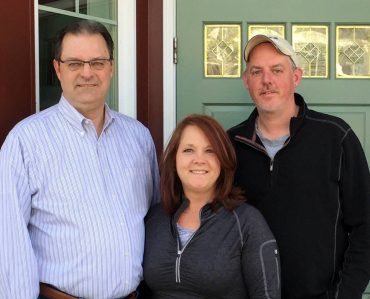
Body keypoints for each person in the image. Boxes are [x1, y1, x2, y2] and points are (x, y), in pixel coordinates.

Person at [0, 20, 159, 298]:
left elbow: (154, 219)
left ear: (111, 67)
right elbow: (10, 241)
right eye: (74, 63)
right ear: (58, 69)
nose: (87, 73)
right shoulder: (26, 141)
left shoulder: (138, 138)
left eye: (97, 62)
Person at [228, 34, 370, 299]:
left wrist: (344, 294)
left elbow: (365, 225)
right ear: (246, 81)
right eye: (256, 71)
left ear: (296, 77)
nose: (266, 80)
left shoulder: (336, 138)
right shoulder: (230, 145)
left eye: (277, 70)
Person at [143, 114, 281, 299]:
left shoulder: (246, 222)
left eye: (210, 151)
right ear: (174, 160)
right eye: (188, 150)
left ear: (222, 160)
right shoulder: (154, 218)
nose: (199, 159)